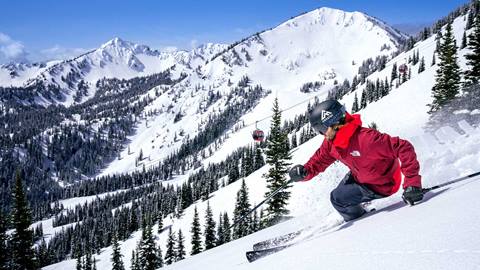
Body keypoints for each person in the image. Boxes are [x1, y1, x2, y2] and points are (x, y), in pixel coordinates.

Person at [289, 100, 424, 221]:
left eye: (320, 130)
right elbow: (319, 160)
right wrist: (305, 172)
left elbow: (403, 147)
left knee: (337, 199)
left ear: (330, 124)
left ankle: (361, 222)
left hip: (382, 185)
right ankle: (360, 206)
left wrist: (412, 183)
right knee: (341, 193)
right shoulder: (332, 142)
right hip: (360, 175)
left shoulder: (366, 139)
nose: (322, 134)